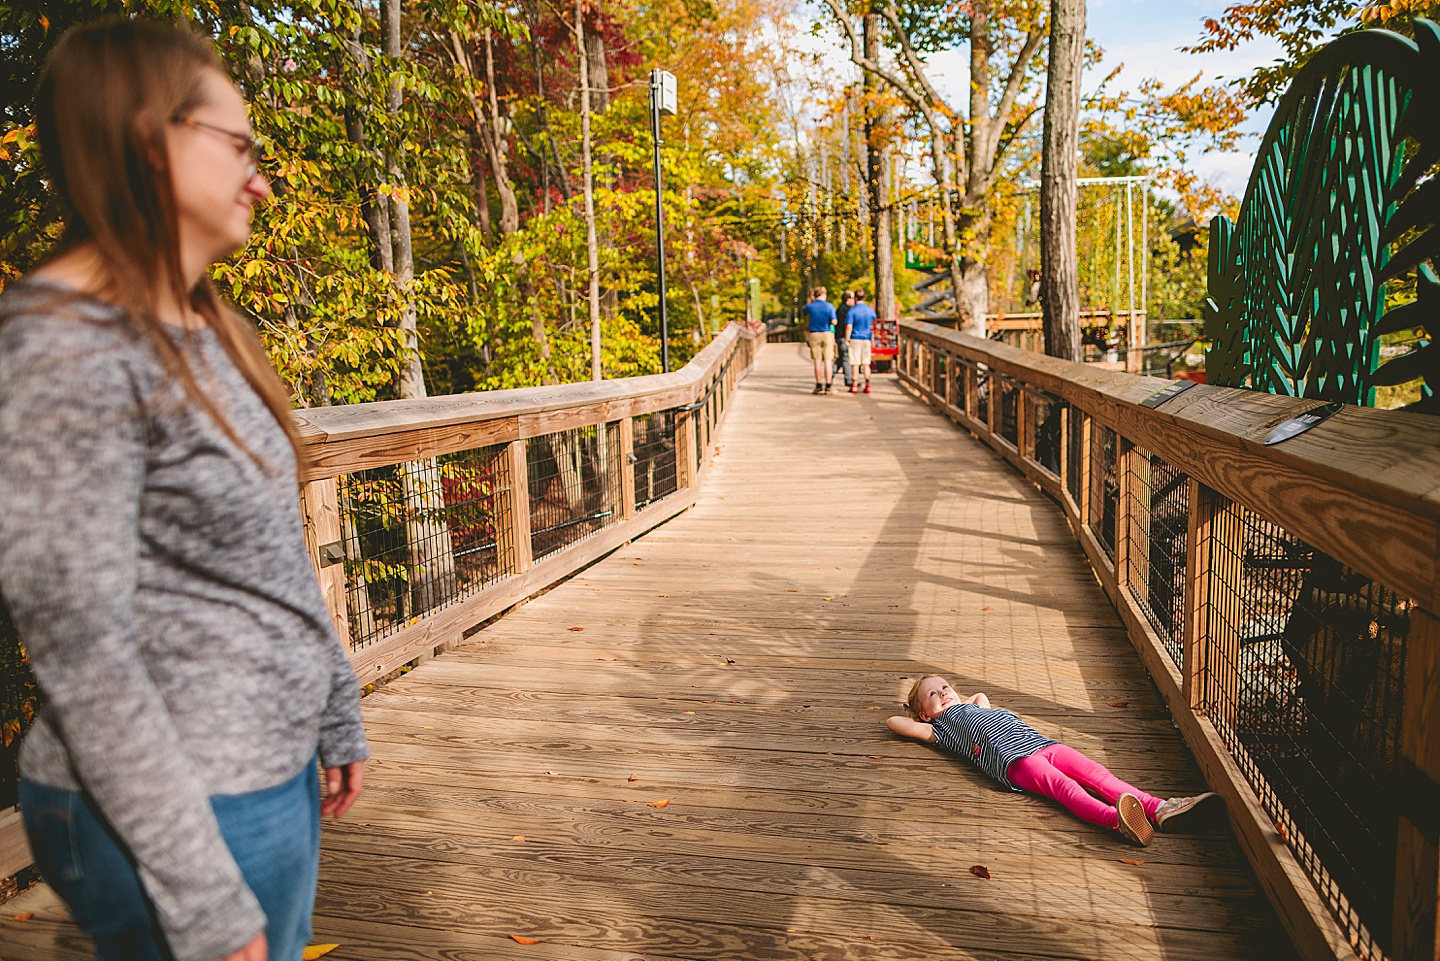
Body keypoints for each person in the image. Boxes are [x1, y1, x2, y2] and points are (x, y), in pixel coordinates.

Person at [0, 19, 369, 961]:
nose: (262, 177)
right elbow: (83, 650)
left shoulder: (204, 326)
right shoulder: (66, 349)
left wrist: (333, 706)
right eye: (239, 145)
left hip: (260, 770)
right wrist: (203, 897)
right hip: (179, 804)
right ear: (145, 138)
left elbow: (269, 554)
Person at [887, 676, 1218, 846]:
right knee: (1067, 790)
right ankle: (1117, 821)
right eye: (933, 694)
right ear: (923, 714)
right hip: (1015, 761)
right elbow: (894, 723)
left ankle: (1157, 809)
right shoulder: (941, 729)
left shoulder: (972, 706)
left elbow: (980, 699)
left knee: (1098, 775)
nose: (944, 693)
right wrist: (926, 719)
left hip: (1041, 743)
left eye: (945, 687)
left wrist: (964, 700)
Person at [801, 285, 837, 394]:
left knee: (817, 360)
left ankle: (818, 385)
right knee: (828, 360)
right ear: (823, 294)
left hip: (814, 334)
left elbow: (803, 311)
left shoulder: (810, 307)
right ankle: (829, 385)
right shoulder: (829, 306)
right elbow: (834, 322)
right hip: (826, 334)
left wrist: (811, 300)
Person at [844, 288, 877, 394]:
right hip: (866, 338)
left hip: (855, 338)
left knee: (855, 363)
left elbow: (849, 326)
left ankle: (854, 385)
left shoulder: (852, 311)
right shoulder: (869, 310)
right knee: (866, 363)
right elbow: (874, 324)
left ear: (855, 298)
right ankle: (868, 384)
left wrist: (847, 339)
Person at [833, 289, 854, 388]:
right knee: (846, 358)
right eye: (853, 298)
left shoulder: (839, 309)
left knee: (841, 359)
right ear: (848, 298)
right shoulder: (847, 310)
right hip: (843, 336)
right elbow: (848, 325)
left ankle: (830, 374)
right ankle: (849, 380)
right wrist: (847, 338)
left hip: (839, 336)